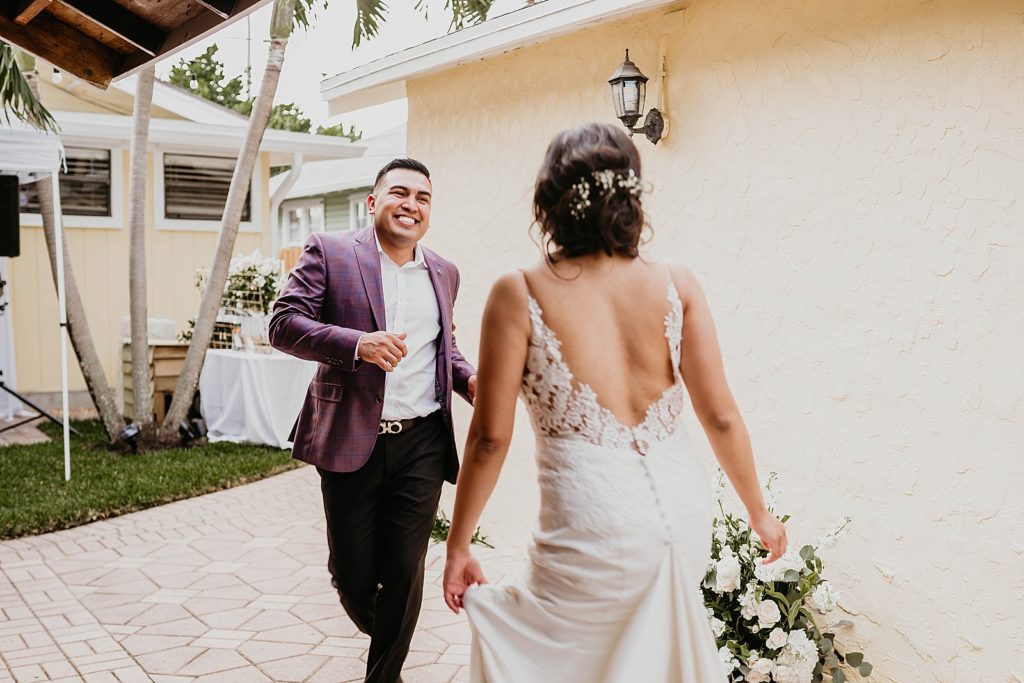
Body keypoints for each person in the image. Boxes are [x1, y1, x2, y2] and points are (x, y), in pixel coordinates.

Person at [441, 123, 787, 682]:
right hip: (681, 511)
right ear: (631, 196)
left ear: (551, 198)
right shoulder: (677, 283)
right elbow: (720, 415)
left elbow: (488, 438)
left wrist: (458, 546)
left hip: (594, 521)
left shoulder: (518, 291)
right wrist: (758, 511)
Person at [269, 158, 477, 683]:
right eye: (400, 193)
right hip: (351, 440)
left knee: (405, 571)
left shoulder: (444, 272)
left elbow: (444, 351)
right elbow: (283, 324)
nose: (411, 205)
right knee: (353, 578)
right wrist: (357, 344)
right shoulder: (331, 251)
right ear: (373, 201)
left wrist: (471, 381)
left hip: (423, 441)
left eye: (422, 197)